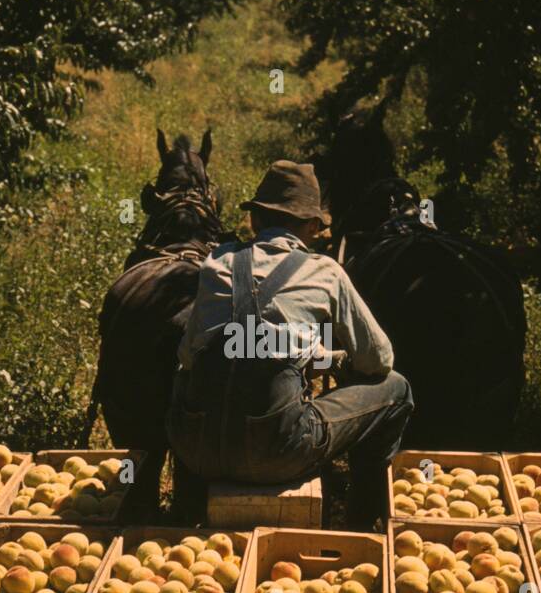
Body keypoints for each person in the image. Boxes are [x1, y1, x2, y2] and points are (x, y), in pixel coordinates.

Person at [167, 160, 413, 529]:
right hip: (276, 455)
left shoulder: (216, 263)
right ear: (314, 227)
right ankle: (361, 522)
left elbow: (189, 356)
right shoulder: (325, 271)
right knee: (396, 388)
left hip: (197, 449)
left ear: (254, 220)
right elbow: (378, 360)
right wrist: (335, 360)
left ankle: (184, 510)